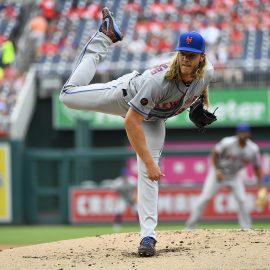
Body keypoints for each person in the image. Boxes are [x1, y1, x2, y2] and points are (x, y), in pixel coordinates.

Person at [60, 7, 214, 257]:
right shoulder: (160, 80)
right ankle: (104, 36)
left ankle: (148, 237)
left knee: (148, 175)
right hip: (124, 97)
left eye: (192, 55)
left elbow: (203, 85)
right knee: (67, 96)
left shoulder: (207, 73)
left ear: (201, 58)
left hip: (155, 119)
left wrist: (199, 103)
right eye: (182, 54)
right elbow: (131, 123)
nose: (186, 59)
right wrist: (149, 163)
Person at [186, 123, 263, 230]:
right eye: (241, 132)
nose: (243, 134)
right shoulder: (227, 142)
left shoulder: (253, 149)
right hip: (218, 173)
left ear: (248, 133)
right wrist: (217, 170)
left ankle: (246, 228)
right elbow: (214, 154)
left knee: (242, 200)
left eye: (245, 132)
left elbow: (257, 167)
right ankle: (190, 228)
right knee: (204, 198)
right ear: (237, 133)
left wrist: (260, 186)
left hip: (234, 176)